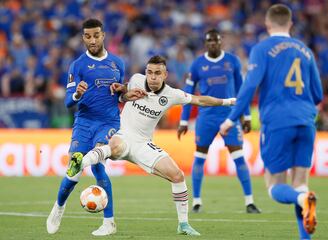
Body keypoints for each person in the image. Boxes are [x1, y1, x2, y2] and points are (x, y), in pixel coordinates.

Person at [66, 55, 239, 236]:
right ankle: (80, 162)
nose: (153, 77)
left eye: (157, 73)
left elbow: (200, 100)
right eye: (149, 72)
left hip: (143, 144)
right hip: (122, 134)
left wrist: (227, 102)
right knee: (115, 144)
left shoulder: (172, 94)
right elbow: (122, 91)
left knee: (178, 176)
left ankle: (183, 225)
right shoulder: (136, 80)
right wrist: (121, 89)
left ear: (165, 75)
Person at [220, 4, 323, 239]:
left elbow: (249, 86)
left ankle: (301, 199)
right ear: (291, 24)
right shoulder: (305, 50)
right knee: (300, 183)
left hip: (278, 121)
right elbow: (318, 94)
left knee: (274, 186)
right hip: (306, 121)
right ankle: (305, 236)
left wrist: (230, 119)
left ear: (267, 25)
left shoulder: (262, 48)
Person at [46, 18, 146, 236]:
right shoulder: (78, 65)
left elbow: (119, 94)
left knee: (98, 160)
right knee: (75, 167)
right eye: (88, 36)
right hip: (84, 122)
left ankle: (109, 222)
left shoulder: (117, 63)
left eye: (96, 35)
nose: (92, 40)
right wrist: (77, 94)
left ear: (103, 36)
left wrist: (128, 94)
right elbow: (68, 102)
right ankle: (59, 207)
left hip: (108, 122)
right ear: (83, 37)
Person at [177, 29, 260, 214]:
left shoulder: (232, 61)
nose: (213, 44)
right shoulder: (198, 64)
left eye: (215, 41)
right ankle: (197, 201)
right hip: (206, 117)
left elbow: (242, 90)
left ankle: (249, 202)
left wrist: (246, 116)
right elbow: (187, 94)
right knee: (200, 157)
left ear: (221, 42)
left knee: (238, 156)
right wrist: (183, 120)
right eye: (209, 41)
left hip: (229, 116)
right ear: (206, 43)